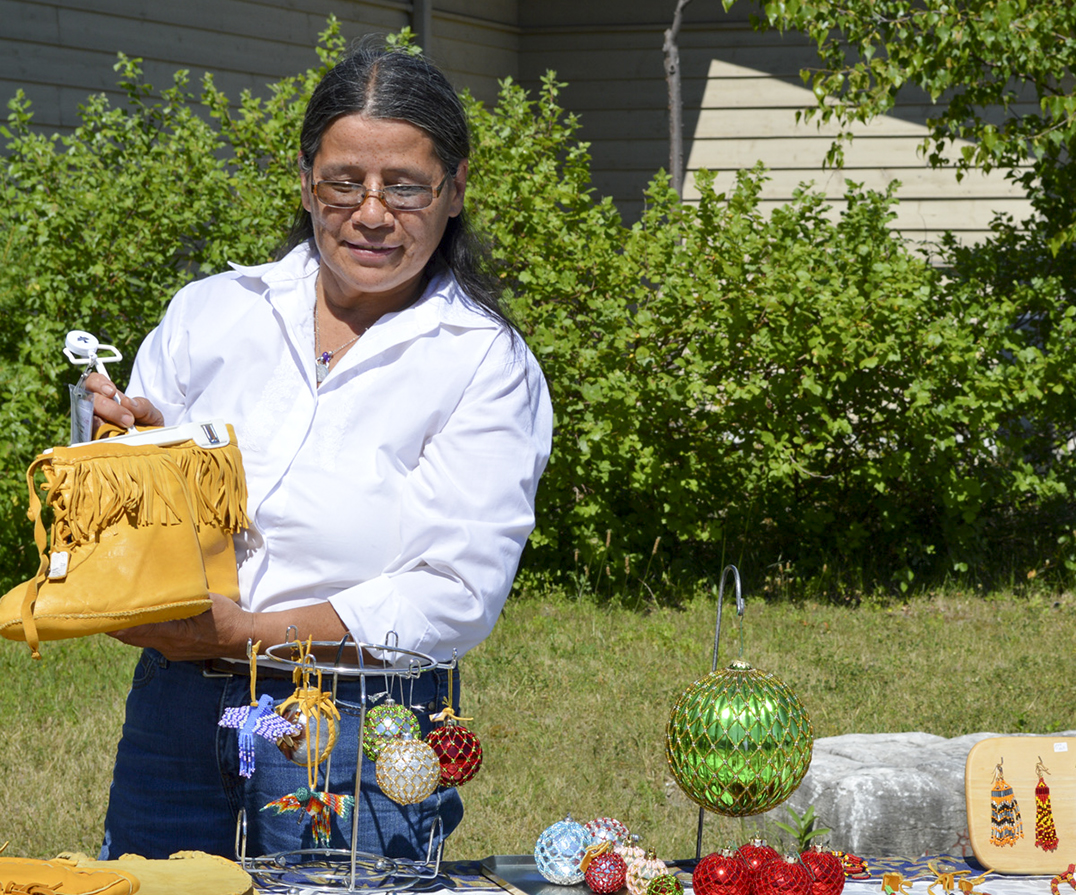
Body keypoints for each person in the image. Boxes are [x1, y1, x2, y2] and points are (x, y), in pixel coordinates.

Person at [86, 42, 552, 863]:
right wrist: (136, 451)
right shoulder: (212, 312)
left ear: (454, 190)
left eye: (404, 186)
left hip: (358, 715)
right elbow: (144, 530)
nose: (372, 213)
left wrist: (248, 633)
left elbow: (454, 591)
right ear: (306, 181)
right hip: (179, 708)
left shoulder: (481, 360)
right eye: (344, 181)